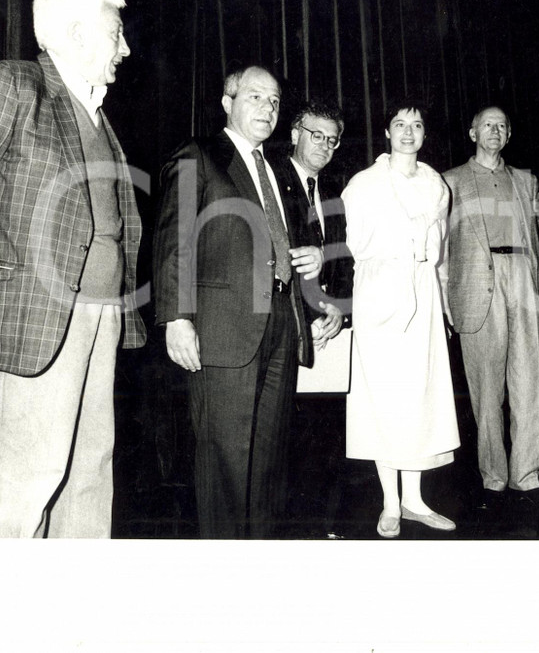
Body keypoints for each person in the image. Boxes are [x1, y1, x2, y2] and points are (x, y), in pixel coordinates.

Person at [0, 0, 146, 538]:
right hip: (40, 311)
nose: (126, 49)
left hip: (101, 313)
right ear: (76, 34)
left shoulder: (95, 110)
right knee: (25, 475)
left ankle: (70, 613)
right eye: (116, 34)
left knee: (88, 471)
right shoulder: (16, 86)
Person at [152, 65, 323, 539]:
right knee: (225, 462)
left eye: (273, 101)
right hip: (223, 330)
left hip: (281, 328)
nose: (267, 108)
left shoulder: (280, 170)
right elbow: (174, 241)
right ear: (227, 102)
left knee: (268, 464)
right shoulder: (200, 155)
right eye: (254, 97)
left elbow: (291, 239)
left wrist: (314, 268)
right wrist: (176, 318)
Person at [440, 106, 539, 511]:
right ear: (472, 132)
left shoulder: (525, 180)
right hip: (478, 288)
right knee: (486, 390)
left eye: (501, 125)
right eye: (487, 125)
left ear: (509, 134)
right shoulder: (450, 182)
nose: (494, 131)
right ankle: (494, 476)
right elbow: (437, 242)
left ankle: (526, 474)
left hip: (523, 278)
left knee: (528, 379)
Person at [341, 100, 460, 539]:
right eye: (399, 124)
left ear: (425, 134)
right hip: (379, 294)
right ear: (387, 133)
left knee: (420, 395)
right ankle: (390, 502)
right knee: (384, 397)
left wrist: (442, 302)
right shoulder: (364, 184)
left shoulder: (436, 185)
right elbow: (355, 244)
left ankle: (414, 499)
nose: (408, 131)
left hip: (424, 294)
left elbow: (440, 249)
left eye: (416, 124)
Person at [274, 99, 352, 347]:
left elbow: (343, 259)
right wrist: (308, 317)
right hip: (287, 325)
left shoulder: (334, 195)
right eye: (317, 136)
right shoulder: (271, 181)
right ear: (296, 135)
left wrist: (339, 308)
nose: (325, 146)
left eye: (332, 140)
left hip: (328, 328)